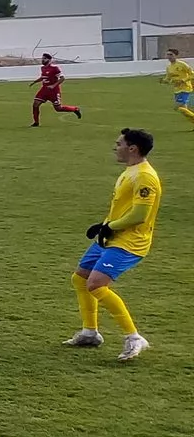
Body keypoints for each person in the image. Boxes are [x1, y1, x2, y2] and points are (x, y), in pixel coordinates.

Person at [64, 128, 159, 362]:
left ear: (132, 148)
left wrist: (111, 226)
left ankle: (134, 337)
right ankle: (90, 333)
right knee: (81, 278)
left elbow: (140, 215)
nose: (115, 147)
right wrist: (104, 226)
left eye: (119, 144)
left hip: (129, 242)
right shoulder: (131, 171)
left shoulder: (145, 177)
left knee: (96, 284)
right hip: (111, 236)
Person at [32, 53, 82, 126]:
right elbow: (43, 77)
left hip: (53, 91)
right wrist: (35, 81)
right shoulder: (42, 68)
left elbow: (62, 78)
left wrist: (53, 85)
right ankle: (36, 122)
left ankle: (75, 109)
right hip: (44, 90)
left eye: (44, 58)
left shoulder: (55, 68)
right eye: (42, 58)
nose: (42, 60)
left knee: (58, 108)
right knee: (35, 104)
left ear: (49, 60)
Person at [162, 49, 194, 125]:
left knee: (180, 107)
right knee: (184, 110)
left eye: (171, 55)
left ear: (176, 56)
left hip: (185, 88)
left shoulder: (182, 64)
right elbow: (168, 79)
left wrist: (183, 80)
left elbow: (192, 74)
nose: (169, 56)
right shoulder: (169, 67)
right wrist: (163, 81)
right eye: (168, 55)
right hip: (177, 90)